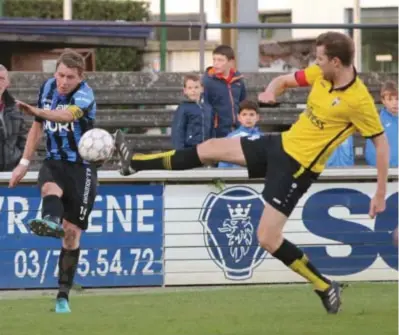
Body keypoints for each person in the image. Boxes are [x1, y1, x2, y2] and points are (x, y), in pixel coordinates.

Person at [114, 31, 389, 314]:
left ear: (336, 61)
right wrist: (272, 91)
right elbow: (284, 80)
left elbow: (380, 143)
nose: (316, 64)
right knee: (210, 147)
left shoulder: (358, 101)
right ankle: (134, 162)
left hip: (298, 169)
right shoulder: (320, 74)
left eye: (320, 59)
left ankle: (323, 285)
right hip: (280, 144)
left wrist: (380, 192)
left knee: (267, 238)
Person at [9, 50, 97, 314]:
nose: (63, 81)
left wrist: (37, 110)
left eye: (70, 77)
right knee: (50, 188)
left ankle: (62, 296)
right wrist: (24, 163)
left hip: (81, 169)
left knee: (71, 235)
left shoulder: (85, 95)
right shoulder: (47, 87)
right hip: (54, 162)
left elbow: (67, 116)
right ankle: (49, 220)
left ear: (80, 77)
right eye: (60, 75)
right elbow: (38, 126)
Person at [202, 45, 247, 138]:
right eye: (214, 59)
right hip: (217, 132)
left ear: (231, 62)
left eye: (220, 60)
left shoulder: (238, 80)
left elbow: (243, 103)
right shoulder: (207, 82)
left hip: (237, 130)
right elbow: (205, 108)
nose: (216, 63)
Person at [171, 74, 214, 150]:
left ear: (202, 89)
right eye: (190, 88)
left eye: (196, 87)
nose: (193, 90)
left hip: (206, 148)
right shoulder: (183, 108)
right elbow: (178, 131)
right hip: (189, 148)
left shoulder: (208, 108)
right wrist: (180, 152)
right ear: (185, 90)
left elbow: (211, 129)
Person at [218, 99, 262, 168]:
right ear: (239, 117)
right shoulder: (232, 138)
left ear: (257, 117)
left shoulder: (261, 137)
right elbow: (224, 162)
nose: (248, 118)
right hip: (237, 176)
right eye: (244, 114)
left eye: (252, 115)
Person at [0, 64, 27, 171]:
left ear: (8, 83)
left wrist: (21, 163)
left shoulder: (16, 107)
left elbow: (22, 139)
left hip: (11, 170)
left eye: (1, 79)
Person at [365, 80, 398, 167]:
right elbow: (371, 152)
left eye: (397, 99)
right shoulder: (378, 123)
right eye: (390, 99)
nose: (395, 103)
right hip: (387, 172)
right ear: (383, 101)